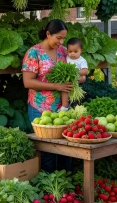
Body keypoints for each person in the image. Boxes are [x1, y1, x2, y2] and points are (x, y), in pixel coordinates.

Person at [22, 19, 73, 172]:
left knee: (66, 149)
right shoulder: (34, 52)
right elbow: (28, 82)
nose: (61, 41)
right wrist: (56, 86)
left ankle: (65, 183)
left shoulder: (63, 51)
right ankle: (48, 189)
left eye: (63, 38)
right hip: (39, 108)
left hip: (62, 109)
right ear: (48, 34)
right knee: (47, 151)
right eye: (59, 38)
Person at [61, 37, 89, 108]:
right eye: (70, 51)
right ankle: (65, 106)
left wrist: (75, 73)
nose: (72, 54)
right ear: (67, 51)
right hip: (67, 81)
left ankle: (74, 106)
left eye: (75, 51)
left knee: (76, 98)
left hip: (77, 81)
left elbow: (85, 71)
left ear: (81, 51)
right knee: (65, 91)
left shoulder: (82, 60)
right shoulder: (66, 57)